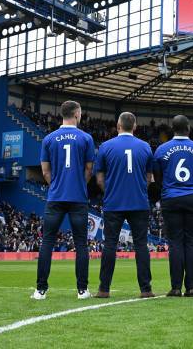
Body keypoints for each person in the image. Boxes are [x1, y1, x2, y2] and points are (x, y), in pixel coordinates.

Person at [32, 100, 95, 300]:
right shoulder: (86, 138)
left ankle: (40, 290)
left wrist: (56, 186)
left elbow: (44, 171)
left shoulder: (49, 139)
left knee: (47, 242)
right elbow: (88, 169)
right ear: (76, 114)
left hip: (56, 197)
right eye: (81, 112)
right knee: (81, 244)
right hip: (78, 197)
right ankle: (82, 290)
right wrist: (79, 184)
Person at [95, 112, 155, 299]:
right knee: (141, 245)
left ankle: (104, 289)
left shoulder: (106, 146)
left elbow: (99, 178)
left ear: (118, 125)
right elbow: (149, 178)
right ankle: (146, 289)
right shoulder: (145, 147)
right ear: (135, 126)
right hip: (139, 202)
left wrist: (110, 191)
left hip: (114, 203)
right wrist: (138, 189)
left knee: (110, 245)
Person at [153, 115, 193, 297]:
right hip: (192, 197)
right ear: (189, 128)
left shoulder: (162, 149)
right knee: (191, 242)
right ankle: (191, 287)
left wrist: (168, 188)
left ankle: (176, 287)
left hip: (171, 197)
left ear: (173, 129)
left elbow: (157, 176)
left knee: (175, 242)